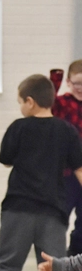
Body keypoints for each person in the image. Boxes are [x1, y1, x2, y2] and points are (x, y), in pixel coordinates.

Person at [0, 74, 82, 271]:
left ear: (30, 101)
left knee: (7, 266)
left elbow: (6, 160)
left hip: (17, 209)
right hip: (53, 213)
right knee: (53, 266)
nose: (20, 108)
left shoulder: (18, 127)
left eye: (20, 102)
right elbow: (79, 169)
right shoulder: (67, 131)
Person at [50, 61, 82, 255]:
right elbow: (47, 102)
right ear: (69, 82)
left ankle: (76, 255)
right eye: (77, 83)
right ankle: (55, 255)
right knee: (60, 216)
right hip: (67, 173)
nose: (81, 88)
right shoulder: (62, 103)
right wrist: (55, 80)